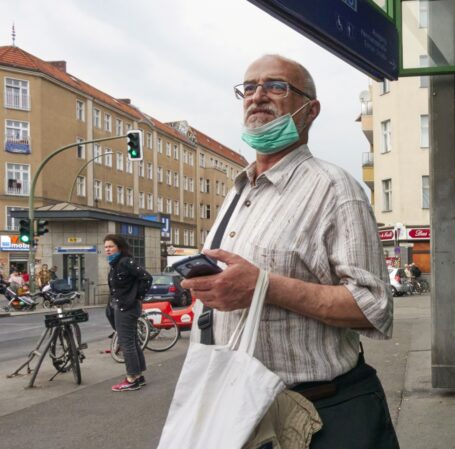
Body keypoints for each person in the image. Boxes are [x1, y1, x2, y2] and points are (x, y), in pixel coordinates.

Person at [181, 54, 399, 448]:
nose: (258, 96)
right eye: (249, 88)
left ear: (310, 110)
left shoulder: (335, 189)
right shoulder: (237, 191)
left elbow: (374, 305)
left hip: (317, 418)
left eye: (276, 86)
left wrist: (262, 286)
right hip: (237, 411)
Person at [104, 234, 152, 392]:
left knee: (126, 343)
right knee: (131, 341)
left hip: (126, 308)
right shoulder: (116, 263)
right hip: (124, 306)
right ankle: (138, 376)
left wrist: (137, 297)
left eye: (110, 246)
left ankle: (131, 378)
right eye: (105, 247)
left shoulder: (124, 262)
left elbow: (146, 278)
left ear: (119, 247)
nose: (107, 249)